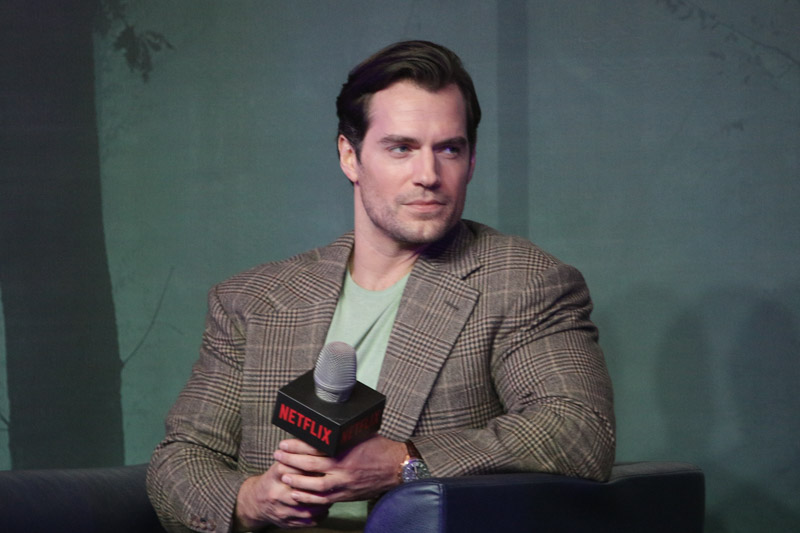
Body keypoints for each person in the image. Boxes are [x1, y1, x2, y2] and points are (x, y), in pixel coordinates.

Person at [147, 40, 615, 532]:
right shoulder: (253, 300)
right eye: (401, 148)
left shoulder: (521, 282)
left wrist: (403, 464)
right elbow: (182, 456)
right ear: (350, 157)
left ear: (472, 161)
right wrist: (252, 499)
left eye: (449, 149)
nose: (428, 175)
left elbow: (580, 430)